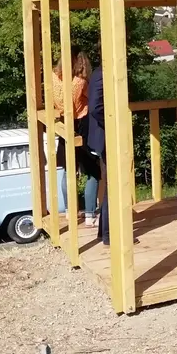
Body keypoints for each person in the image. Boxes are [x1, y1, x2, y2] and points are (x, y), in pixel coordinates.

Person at [51, 50, 100, 218]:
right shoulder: (80, 82)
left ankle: (69, 211)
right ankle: (89, 214)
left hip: (64, 123)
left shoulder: (54, 78)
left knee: (68, 170)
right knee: (92, 171)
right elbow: (93, 100)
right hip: (83, 124)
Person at [86, 64, 109, 246]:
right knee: (113, 187)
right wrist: (111, 123)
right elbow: (94, 107)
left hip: (102, 136)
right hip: (105, 136)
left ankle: (103, 232)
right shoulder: (103, 73)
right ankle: (110, 235)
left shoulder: (99, 72)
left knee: (110, 186)